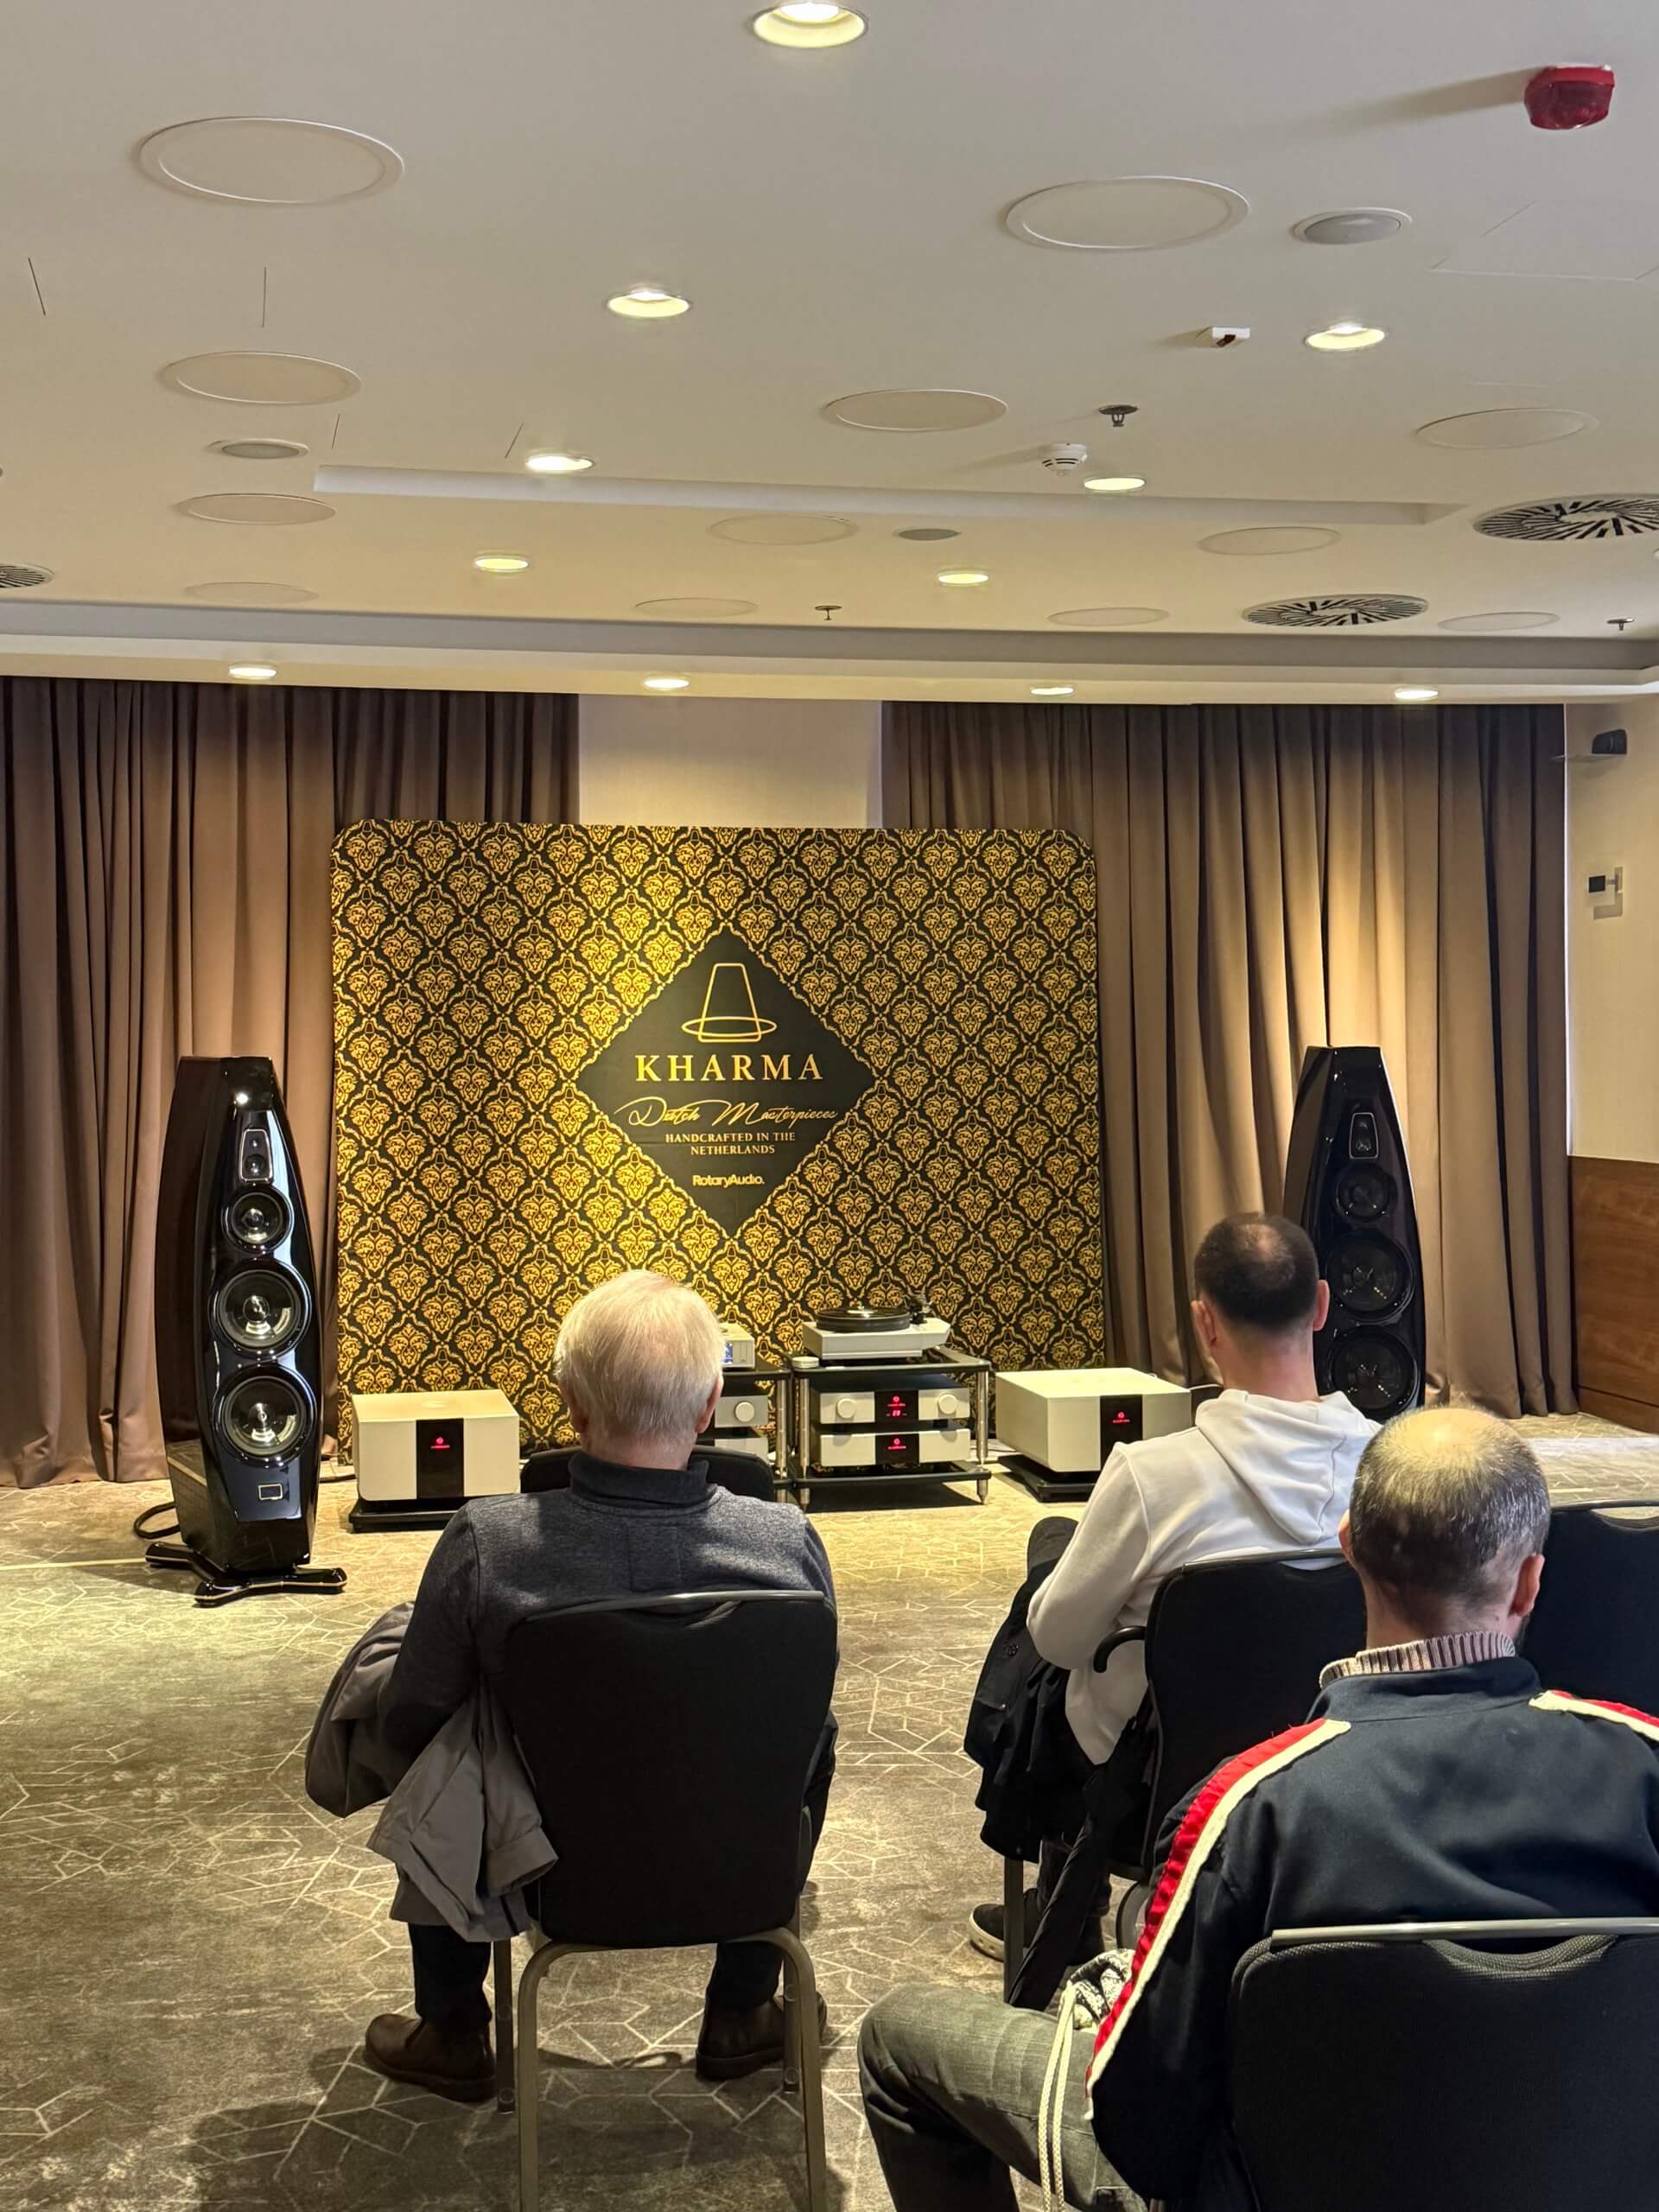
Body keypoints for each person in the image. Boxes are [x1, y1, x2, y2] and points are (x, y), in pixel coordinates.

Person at [861, 1407, 1659, 2211]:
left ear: (1349, 1549)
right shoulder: (1647, 1764)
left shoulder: (1246, 1809)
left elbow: (1142, 2128)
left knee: (899, 2039)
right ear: (1529, 1580)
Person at [362, 1269, 836, 2103]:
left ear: (572, 1407)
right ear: (711, 1405)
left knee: (447, 1737)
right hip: (736, 1868)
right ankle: (742, 2008)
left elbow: (412, 1715)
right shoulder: (785, 1542)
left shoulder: (488, 1542)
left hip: (542, 1873)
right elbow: (798, 1717)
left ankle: (454, 2027)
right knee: (810, 1737)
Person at [969, 1213, 1373, 1960]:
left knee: (1045, 1595)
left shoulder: (1151, 1475)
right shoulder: (1392, 1471)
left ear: (1204, 1323)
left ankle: (1067, 1903)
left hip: (1160, 1783)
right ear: (1321, 1305)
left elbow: (1059, 1641)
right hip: (1337, 1763)